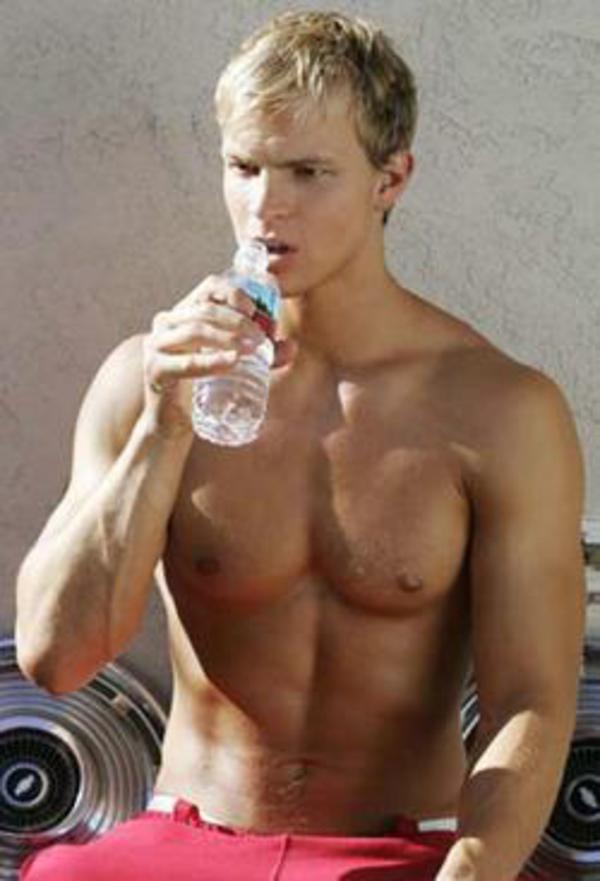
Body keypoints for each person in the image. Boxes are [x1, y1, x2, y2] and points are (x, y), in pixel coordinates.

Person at [15, 10, 585, 881]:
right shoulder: (146, 378)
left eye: (309, 172)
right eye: (244, 167)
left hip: (401, 848)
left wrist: (472, 869)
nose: (265, 207)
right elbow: (55, 661)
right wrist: (163, 425)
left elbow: (531, 700)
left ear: (391, 177)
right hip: (188, 839)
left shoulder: (501, 410)